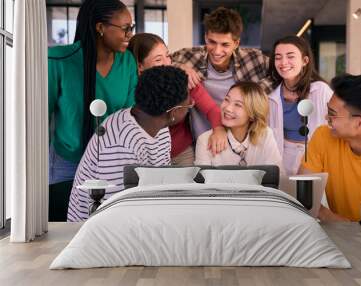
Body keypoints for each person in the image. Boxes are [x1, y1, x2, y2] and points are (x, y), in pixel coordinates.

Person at [48, 0, 138, 221]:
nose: (130, 34)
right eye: (125, 28)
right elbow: (38, 119)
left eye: (131, 27)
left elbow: (128, 118)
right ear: (100, 27)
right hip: (68, 162)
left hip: (110, 162)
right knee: (65, 226)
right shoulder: (59, 60)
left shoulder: (127, 62)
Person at [68, 66, 190, 222]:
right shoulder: (120, 145)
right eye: (189, 105)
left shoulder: (158, 126)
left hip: (137, 213)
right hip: (98, 230)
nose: (189, 108)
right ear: (174, 112)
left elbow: (160, 184)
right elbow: (113, 214)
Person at [300, 74, 361, 222]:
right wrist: (329, 216)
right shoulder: (323, 136)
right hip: (335, 233)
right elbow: (302, 192)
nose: (326, 117)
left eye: (332, 114)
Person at [172, 7, 272, 139]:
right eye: (212, 42)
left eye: (225, 45)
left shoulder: (254, 59)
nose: (217, 51)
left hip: (242, 141)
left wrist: (254, 93)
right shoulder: (188, 56)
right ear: (206, 37)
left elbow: (281, 74)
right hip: (201, 139)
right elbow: (157, 63)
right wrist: (179, 67)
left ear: (236, 43)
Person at [128, 33, 227, 166]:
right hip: (147, 156)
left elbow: (211, 109)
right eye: (158, 60)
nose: (168, 63)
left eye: (168, 56)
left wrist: (219, 129)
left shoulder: (183, 79)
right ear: (140, 66)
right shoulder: (131, 90)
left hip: (182, 153)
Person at [268, 35, 333, 175]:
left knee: (313, 195)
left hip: (316, 156)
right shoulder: (271, 96)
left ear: (305, 61)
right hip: (284, 155)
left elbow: (335, 124)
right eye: (278, 57)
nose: (283, 62)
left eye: (290, 56)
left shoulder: (321, 90)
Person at [195, 81, 283, 171]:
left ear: (252, 115)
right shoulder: (205, 140)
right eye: (226, 99)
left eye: (238, 105)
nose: (228, 108)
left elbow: (278, 176)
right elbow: (202, 183)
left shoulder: (265, 134)